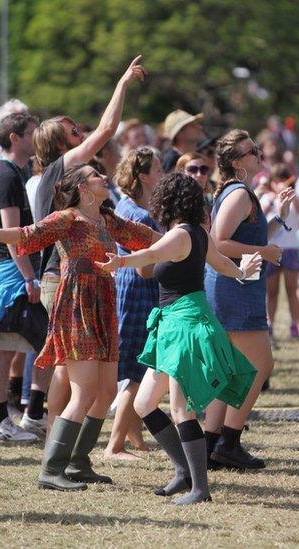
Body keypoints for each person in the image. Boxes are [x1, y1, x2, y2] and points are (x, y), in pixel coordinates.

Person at [0, 162, 161, 492]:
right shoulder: (67, 218)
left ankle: (79, 462)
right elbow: (27, 235)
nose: (104, 177)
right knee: (83, 393)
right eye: (96, 176)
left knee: (107, 391)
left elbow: (145, 237)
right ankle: (52, 469)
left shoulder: (107, 219)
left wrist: (186, 239)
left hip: (105, 306)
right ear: (83, 189)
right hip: (77, 306)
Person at [95, 171, 261, 505]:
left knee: (180, 407)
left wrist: (120, 262)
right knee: (143, 403)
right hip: (174, 323)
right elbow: (221, 263)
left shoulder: (181, 234)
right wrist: (242, 271)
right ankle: (184, 473)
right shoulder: (198, 234)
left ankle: (201, 490)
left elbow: (150, 256)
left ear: (166, 200)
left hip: (185, 324)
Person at [31, 56, 148, 479]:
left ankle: (71, 457)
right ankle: (55, 452)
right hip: (66, 280)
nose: (84, 135)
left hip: (74, 280)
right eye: (74, 133)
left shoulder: (55, 178)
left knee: (84, 376)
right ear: (62, 147)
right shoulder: (63, 172)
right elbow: (107, 129)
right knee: (76, 375)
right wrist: (121, 83)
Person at [204, 129, 295, 470]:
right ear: (237, 163)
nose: (259, 155)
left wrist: (281, 218)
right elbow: (219, 242)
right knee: (260, 365)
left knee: (231, 370)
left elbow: (251, 236)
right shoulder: (239, 194)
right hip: (235, 289)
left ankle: (212, 445)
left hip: (235, 286)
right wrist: (265, 251)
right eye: (252, 151)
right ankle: (229, 442)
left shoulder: (241, 193)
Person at [0, 111, 43, 444]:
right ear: (15, 137)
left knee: (12, 348)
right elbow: (13, 234)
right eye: (32, 132)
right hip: (12, 272)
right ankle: (1, 420)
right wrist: (29, 277)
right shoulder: (7, 175)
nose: (36, 137)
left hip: (13, 271)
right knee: (3, 349)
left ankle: (12, 415)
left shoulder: (12, 171)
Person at [104, 147, 162, 460]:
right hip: (139, 294)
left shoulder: (127, 206)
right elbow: (145, 267)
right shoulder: (140, 215)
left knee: (134, 370)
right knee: (138, 373)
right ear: (143, 176)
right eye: (158, 170)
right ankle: (115, 446)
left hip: (129, 292)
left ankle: (133, 435)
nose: (162, 175)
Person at [259, 164, 299, 339]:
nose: (280, 183)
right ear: (272, 182)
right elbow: (261, 215)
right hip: (272, 249)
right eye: (277, 180)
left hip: (291, 248)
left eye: (283, 179)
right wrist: (272, 198)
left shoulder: (294, 198)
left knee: (292, 290)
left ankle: (295, 325)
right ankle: (270, 325)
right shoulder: (267, 198)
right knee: (272, 291)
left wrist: (289, 197)